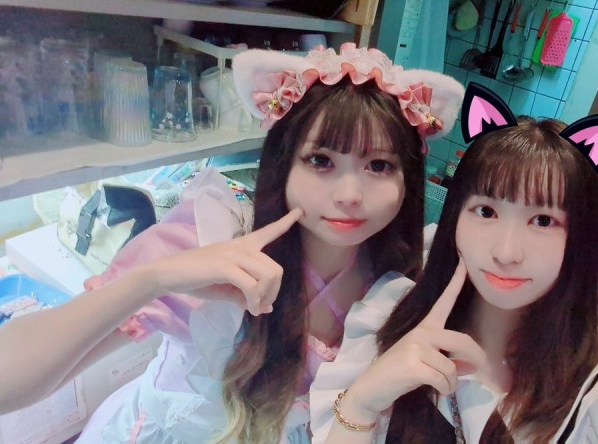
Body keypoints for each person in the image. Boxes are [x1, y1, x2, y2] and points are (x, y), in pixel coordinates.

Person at [0, 43, 464, 444]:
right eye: (320, 160)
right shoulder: (211, 241)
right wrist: (154, 278)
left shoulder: (404, 278)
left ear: (407, 179)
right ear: (284, 164)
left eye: (379, 165)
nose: (349, 194)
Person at [310, 83, 598, 443]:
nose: (507, 251)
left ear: (581, 237)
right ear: (454, 219)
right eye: (486, 211)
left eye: (543, 220)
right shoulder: (389, 316)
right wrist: (362, 403)